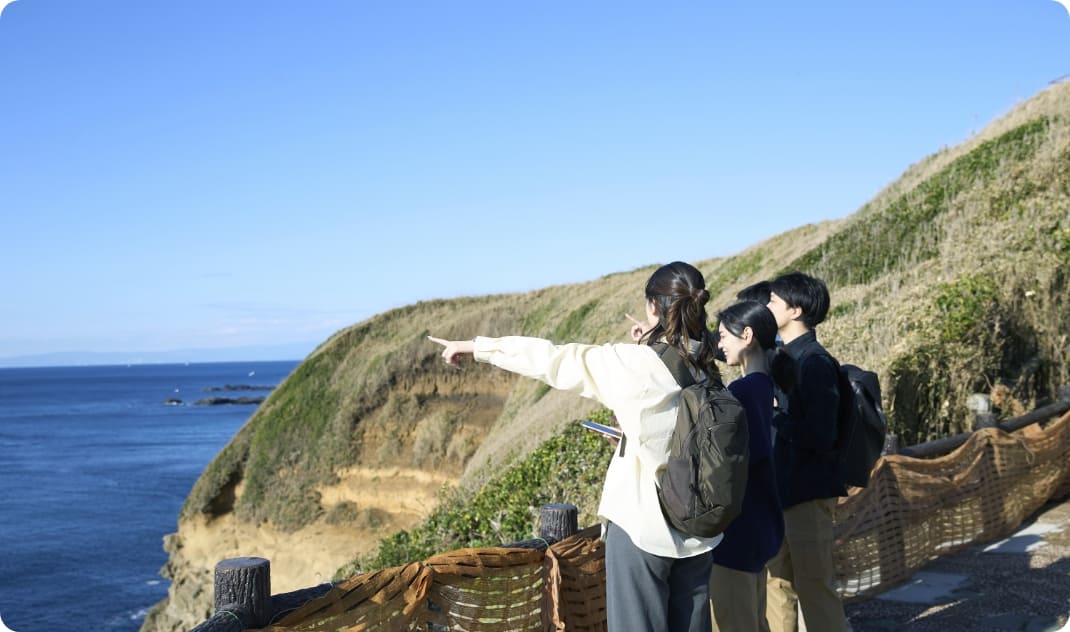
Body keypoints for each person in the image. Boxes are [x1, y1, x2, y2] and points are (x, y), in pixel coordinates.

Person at [429, 261, 722, 632]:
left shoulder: (631, 364)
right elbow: (683, 428)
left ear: (653, 307)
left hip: (645, 526)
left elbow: (552, 358)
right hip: (700, 530)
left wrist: (475, 346)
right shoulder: (707, 359)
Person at [763, 272, 848, 632]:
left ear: (795, 310)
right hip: (783, 489)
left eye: (773, 302)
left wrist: (775, 415)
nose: (767, 308)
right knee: (776, 585)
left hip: (809, 492)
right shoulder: (784, 357)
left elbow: (821, 434)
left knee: (814, 587)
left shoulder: (815, 363)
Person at [709, 300, 788, 632]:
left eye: (725, 335)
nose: (720, 344)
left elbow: (728, 462)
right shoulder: (769, 387)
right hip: (763, 525)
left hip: (736, 532)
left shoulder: (741, 391)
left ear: (748, 335)